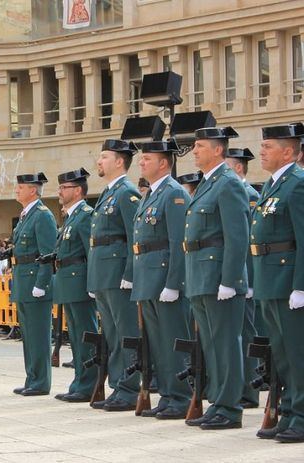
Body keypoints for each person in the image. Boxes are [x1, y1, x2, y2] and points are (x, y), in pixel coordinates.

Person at [184, 127, 249, 430]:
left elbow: (237, 238)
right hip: (201, 274)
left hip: (218, 277)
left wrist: (230, 280)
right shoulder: (208, 184)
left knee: (225, 344)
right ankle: (218, 403)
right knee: (211, 344)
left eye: (199, 146)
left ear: (218, 150)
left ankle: (230, 407)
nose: (194, 151)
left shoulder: (228, 184)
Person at [130, 141, 193, 419]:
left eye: (147, 159)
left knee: (173, 339)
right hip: (148, 276)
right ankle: (167, 395)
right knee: (157, 342)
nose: (141, 163)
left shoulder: (174, 194)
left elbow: (179, 241)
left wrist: (174, 283)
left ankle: (180, 396)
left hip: (165, 277)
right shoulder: (150, 195)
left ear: (163, 163)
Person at [250, 124, 304, 443]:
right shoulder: (274, 185)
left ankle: (301, 414)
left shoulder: (297, 185)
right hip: (270, 280)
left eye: (268, 146)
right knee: (282, 354)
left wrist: (301, 285)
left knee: (297, 354)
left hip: (288, 282)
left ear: (288, 152)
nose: (262, 150)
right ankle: (289, 412)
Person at [87, 139, 142, 411]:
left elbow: (135, 238)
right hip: (104, 273)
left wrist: (130, 274)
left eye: (104, 157)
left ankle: (129, 388)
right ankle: (118, 385)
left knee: (125, 332)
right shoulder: (109, 193)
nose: (99, 161)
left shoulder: (126, 193)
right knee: (111, 333)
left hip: (118, 272)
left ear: (120, 161)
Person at [52, 168, 98, 403]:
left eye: (64, 188)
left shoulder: (86, 215)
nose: (59, 191)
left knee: (85, 334)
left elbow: (91, 252)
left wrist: (92, 282)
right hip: (68, 282)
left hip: (80, 282)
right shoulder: (72, 217)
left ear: (78, 190)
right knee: (76, 335)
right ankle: (80, 380)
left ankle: (89, 383)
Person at [10, 173, 57, 396]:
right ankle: (32, 377)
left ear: (33, 191)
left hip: (34, 282)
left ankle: (41, 382)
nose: (17, 190)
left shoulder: (42, 215)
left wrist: (42, 283)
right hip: (22, 280)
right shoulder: (25, 215)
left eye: (21, 187)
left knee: (38, 335)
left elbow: (48, 253)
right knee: (28, 335)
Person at [225, 147, 263, 409]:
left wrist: (249, 281)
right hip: (240, 278)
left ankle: (249, 390)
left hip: (245, 279)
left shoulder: (249, 195)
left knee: (246, 334)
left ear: (238, 167)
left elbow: (247, 241)